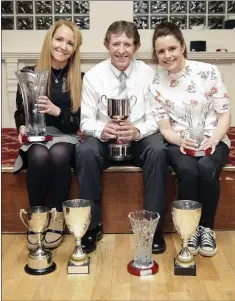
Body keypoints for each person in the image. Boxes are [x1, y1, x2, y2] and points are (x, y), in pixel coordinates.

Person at [75, 20, 169, 254]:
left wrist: (137, 131)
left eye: (127, 44)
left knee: (157, 149)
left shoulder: (149, 75)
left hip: (138, 139)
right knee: (85, 150)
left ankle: (153, 228)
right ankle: (91, 226)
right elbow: (85, 121)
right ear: (107, 44)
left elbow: (155, 117)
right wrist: (102, 130)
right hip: (105, 141)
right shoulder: (93, 77)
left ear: (136, 47)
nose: (121, 50)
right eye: (116, 43)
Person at [149, 22, 231, 257]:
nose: (167, 55)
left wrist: (214, 138)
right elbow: (164, 127)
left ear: (182, 46)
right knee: (186, 169)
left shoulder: (208, 71)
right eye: (161, 51)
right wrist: (180, 140)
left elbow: (224, 113)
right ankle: (190, 229)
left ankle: (206, 228)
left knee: (205, 168)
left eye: (172, 48)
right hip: (179, 142)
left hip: (214, 140)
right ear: (156, 54)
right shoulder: (155, 84)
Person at [14, 20, 82, 251]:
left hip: (66, 136)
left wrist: (56, 111)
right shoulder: (28, 74)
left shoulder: (78, 78)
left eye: (70, 43)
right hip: (38, 138)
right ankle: (37, 216)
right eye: (59, 39)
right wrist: (22, 127)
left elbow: (77, 123)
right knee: (40, 155)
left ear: (75, 49)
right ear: (50, 40)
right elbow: (20, 113)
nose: (63, 46)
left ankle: (58, 216)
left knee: (60, 154)